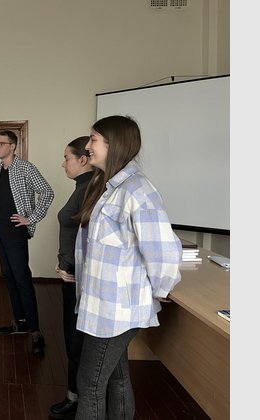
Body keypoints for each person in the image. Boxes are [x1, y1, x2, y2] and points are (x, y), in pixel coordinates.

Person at [73, 115, 182, 419]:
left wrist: (162, 288)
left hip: (116, 309)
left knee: (89, 384)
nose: (88, 145)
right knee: (116, 379)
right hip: (104, 306)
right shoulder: (109, 187)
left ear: (114, 144)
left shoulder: (138, 191)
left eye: (94, 139)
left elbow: (162, 249)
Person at [0, 130, 54, 355]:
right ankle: (20, 322)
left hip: (16, 232)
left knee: (22, 279)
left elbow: (47, 192)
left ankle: (35, 331)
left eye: (1, 144)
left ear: (13, 146)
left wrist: (31, 218)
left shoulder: (26, 168)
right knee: (9, 276)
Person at [48, 136, 94, 419]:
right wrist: (63, 260)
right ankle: (75, 395)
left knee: (76, 340)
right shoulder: (83, 187)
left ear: (83, 159)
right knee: (72, 337)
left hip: (77, 279)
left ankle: (77, 399)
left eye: (67, 158)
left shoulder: (89, 189)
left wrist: (73, 266)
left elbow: (90, 237)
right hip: (71, 273)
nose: (63, 163)